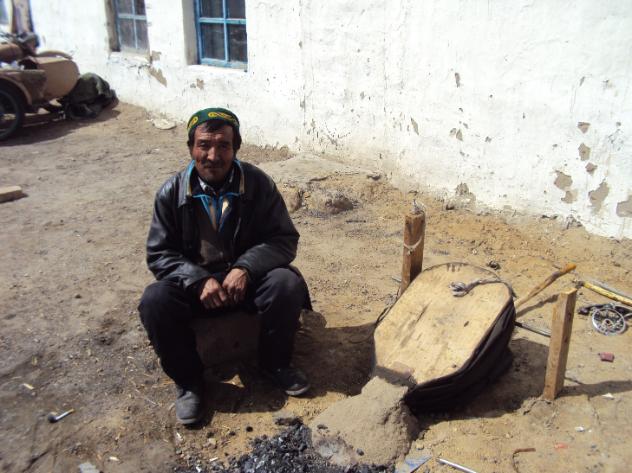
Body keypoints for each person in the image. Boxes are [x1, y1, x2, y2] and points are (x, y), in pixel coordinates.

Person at [138, 108, 310, 425]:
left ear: (236, 147)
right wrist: (196, 279)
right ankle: (189, 382)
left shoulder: (258, 184)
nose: (213, 156)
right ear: (191, 148)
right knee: (155, 301)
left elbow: (283, 239)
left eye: (223, 146)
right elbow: (159, 253)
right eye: (204, 145)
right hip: (198, 289)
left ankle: (275, 364)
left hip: (245, 282)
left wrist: (245, 268)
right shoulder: (171, 193)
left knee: (286, 284)